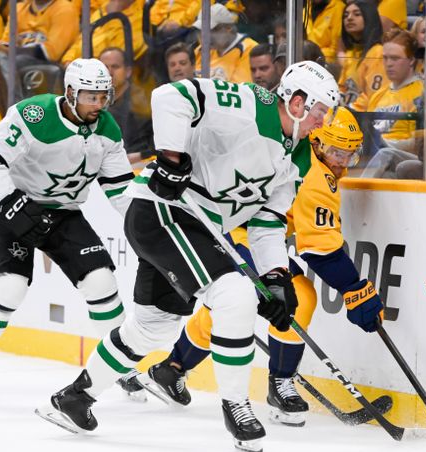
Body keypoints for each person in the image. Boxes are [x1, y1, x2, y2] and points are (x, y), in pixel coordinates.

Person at [38, 61, 341, 452]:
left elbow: (267, 224)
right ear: (298, 103)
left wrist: (277, 277)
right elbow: (170, 96)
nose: (324, 121)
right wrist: (172, 158)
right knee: (234, 295)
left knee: (153, 326)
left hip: (196, 224)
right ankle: (237, 406)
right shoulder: (249, 104)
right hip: (164, 209)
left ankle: (74, 398)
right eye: (321, 111)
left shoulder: (299, 158)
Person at [142, 107, 384, 428]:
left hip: (222, 224)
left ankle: (171, 368)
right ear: (317, 141)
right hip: (236, 232)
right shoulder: (315, 177)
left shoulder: (299, 151)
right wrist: (354, 290)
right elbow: (320, 250)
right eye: (336, 151)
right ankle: (281, 386)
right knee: (298, 296)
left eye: (350, 154)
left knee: (230, 303)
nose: (341, 161)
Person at [0, 58, 133, 393]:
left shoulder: (108, 130)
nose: (98, 104)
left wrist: (148, 225)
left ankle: (122, 361)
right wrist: (10, 201)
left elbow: (121, 189)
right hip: (12, 206)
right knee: (8, 288)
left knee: (101, 282)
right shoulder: (33, 114)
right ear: (69, 92)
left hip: (64, 213)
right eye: (89, 96)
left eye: (103, 96)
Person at [356, 27, 424, 177]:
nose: (388, 64)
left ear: (412, 60)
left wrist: (384, 144)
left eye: (395, 58)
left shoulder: (422, 92)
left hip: (403, 162)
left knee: (385, 157)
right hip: (375, 160)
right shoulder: (378, 95)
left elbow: (419, 144)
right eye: (385, 58)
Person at [99, 47, 153, 162]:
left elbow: (149, 149)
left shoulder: (140, 102)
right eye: (105, 67)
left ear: (128, 72)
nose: (109, 72)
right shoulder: (94, 102)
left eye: (115, 67)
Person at [62, 0, 147, 66]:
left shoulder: (140, 21)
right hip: (81, 73)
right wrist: (69, 61)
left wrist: (114, 13)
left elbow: (114, 59)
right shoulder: (100, 12)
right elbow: (79, 43)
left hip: (111, 82)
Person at [193, 3, 258, 82]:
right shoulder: (201, 50)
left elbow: (241, 88)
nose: (208, 36)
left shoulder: (249, 49)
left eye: (213, 30)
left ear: (228, 28)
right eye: (203, 30)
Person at [337, 0, 385, 106]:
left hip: (367, 117)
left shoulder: (378, 52)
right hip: (348, 115)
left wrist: (350, 109)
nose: (349, 18)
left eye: (357, 14)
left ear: (369, 18)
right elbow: (341, 89)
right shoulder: (350, 54)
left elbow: (374, 96)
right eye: (345, 15)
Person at [5, 0, 79, 63]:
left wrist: (10, 51)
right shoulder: (19, 8)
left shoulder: (65, 9)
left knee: (14, 61)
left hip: (48, 66)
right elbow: (6, 42)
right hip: (18, 59)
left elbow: (50, 54)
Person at [305, 0, 345, 64]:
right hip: (305, 61)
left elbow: (336, 49)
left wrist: (314, 56)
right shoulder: (305, 11)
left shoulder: (339, 8)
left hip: (328, 63)